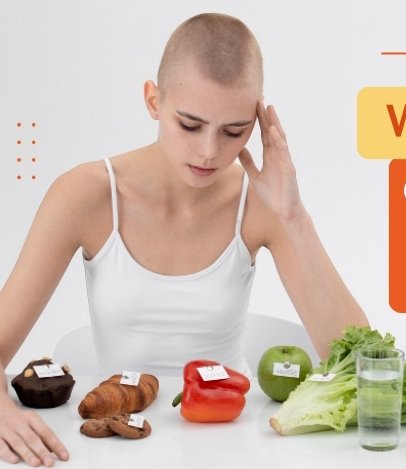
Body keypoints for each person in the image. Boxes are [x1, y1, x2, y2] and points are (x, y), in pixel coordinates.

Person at [0, 13, 368, 467]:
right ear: (154, 101)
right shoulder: (86, 193)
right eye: (190, 125)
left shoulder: (261, 204)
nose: (210, 151)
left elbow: (363, 362)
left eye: (234, 131)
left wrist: (293, 217)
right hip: (121, 449)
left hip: (234, 442)